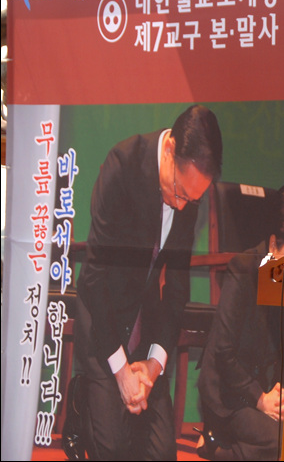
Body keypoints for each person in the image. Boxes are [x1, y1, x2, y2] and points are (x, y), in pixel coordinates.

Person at [75, 104, 223, 460]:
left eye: (194, 199)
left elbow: (177, 287)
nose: (184, 206)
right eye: (179, 192)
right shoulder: (122, 165)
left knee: (161, 455)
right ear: (170, 148)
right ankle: (84, 403)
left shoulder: (189, 191)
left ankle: (110, 407)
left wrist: (154, 365)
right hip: (103, 320)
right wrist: (121, 372)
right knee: (114, 450)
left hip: (143, 325)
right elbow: (93, 277)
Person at [197, 183, 284, 461]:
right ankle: (218, 447)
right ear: (272, 244)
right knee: (281, 441)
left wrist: (283, 393)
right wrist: (260, 398)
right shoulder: (243, 270)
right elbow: (224, 353)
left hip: (269, 390)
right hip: (232, 393)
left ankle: (228, 445)